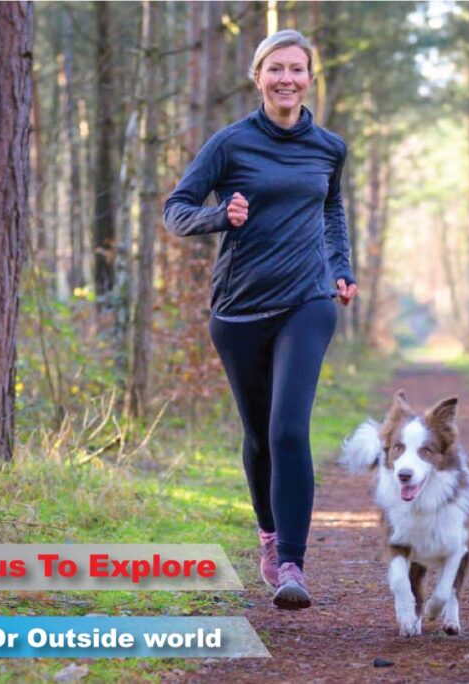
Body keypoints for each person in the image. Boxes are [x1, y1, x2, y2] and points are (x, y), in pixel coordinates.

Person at [162, 29, 357, 610]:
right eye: (276, 69)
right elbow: (176, 210)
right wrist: (221, 216)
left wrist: (340, 267)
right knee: (258, 437)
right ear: (258, 76)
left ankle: (293, 564)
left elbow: (332, 208)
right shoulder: (229, 144)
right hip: (240, 309)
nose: (287, 79)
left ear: (309, 77)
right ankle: (269, 538)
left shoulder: (329, 147)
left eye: (297, 69)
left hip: (309, 301)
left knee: (288, 430)